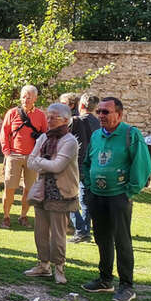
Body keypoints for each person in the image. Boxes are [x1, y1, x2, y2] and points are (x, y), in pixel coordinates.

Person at [82, 97, 151, 301]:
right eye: (99, 112)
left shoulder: (131, 134)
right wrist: (88, 183)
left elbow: (142, 165)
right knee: (102, 238)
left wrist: (129, 191)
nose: (101, 116)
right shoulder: (96, 135)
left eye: (106, 112)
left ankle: (127, 286)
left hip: (119, 196)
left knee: (122, 240)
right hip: (97, 195)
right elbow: (87, 162)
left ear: (119, 115)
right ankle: (105, 279)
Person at [24, 103, 80, 285]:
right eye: (48, 116)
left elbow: (57, 166)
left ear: (65, 120)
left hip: (61, 192)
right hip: (42, 189)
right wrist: (41, 161)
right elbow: (30, 162)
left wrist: (39, 161)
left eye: (53, 117)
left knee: (58, 233)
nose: (48, 120)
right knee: (40, 230)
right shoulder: (43, 138)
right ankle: (43, 265)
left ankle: (59, 268)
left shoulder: (70, 141)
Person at [0, 85, 46, 228]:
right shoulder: (12, 113)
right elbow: (4, 133)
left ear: (35, 99)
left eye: (29, 96)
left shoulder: (40, 115)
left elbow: (45, 135)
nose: (26, 99)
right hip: (14, 155)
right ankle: (6, 216)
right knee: (9, 187)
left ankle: (23, 216)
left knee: (29, 189)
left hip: (32, 158)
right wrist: (7, 152)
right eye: (24, 96)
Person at [69, 94, 101, 242]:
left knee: (67, 198)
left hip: (76, 163)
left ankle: (81, 229)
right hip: (92, 164)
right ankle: (85, 230)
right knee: (85, 199)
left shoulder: (76, 121)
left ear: (81, 105)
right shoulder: (98, 122)